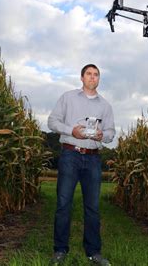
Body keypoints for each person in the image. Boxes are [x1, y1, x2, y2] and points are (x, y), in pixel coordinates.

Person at [48, 64, 115, 266]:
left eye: (96, 75)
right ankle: (60, 250)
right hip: (70, 154)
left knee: (93, 207)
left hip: (93, 158)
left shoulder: (105, 105)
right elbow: (52, 122)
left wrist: (104, 135)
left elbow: (111, 134)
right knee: (63, 204)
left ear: (99, 79)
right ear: (82, 77)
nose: (92, 78)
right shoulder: (68, 98)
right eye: (89, 74)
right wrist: (71, 130)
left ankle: (94, 252)